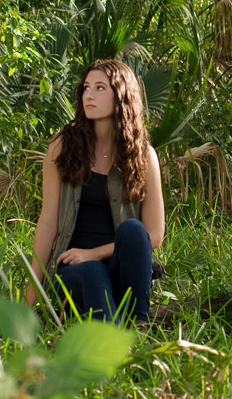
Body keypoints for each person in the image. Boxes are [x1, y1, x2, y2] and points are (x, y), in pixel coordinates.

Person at [25, 59, 165, 324]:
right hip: (73, 271)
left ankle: (139, 323)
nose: (88, 94)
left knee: (134, 230)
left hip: (119, 269)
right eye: (87, 87)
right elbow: (47, 222)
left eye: (100, 88)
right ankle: (114, 345)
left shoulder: (144, 156)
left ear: (121, 96)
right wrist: (30, 297)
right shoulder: (63, 146)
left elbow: (154, 235)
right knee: (90, 272)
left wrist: (94, 252)